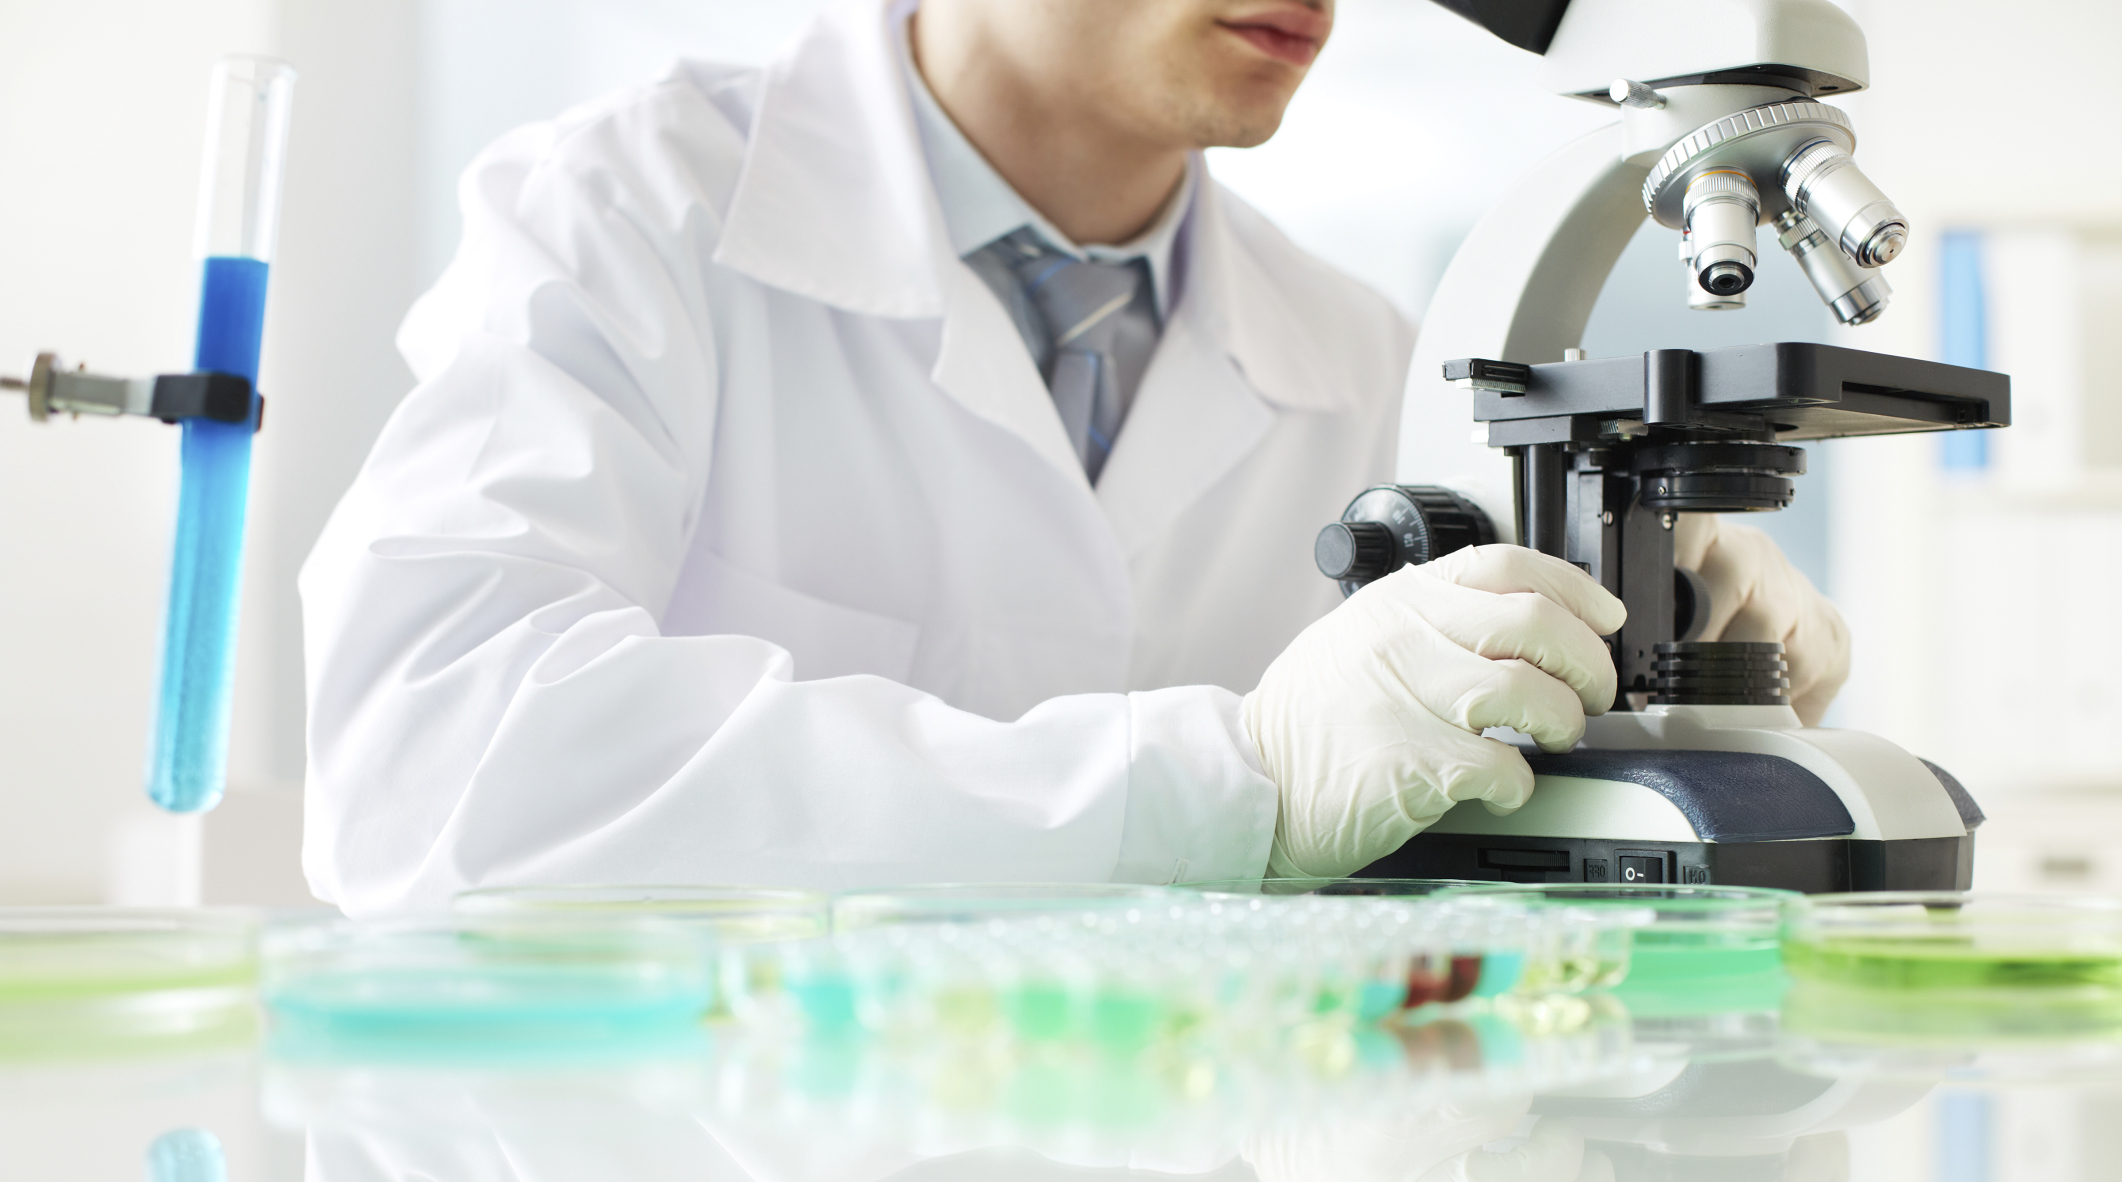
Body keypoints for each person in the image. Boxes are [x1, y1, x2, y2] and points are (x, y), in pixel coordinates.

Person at [300, 0, 1848, 912]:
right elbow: (434, 771)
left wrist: (1630, 642)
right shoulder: (627, 214)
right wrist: (1229, 783)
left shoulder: (1365, 353)